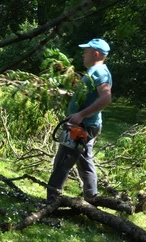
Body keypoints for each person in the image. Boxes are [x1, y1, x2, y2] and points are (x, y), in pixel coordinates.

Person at [46, 38, 113, 203]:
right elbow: (88, 96)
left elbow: (106, 98)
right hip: (86, 124)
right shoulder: (94, 72)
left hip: (83, 126)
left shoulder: (100, 72)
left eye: (86, 51)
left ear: (96, 53)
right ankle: (91, 199)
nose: (83, 54)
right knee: (84, 161)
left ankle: (52, 201)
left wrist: (81, 115)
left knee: (63, 160)